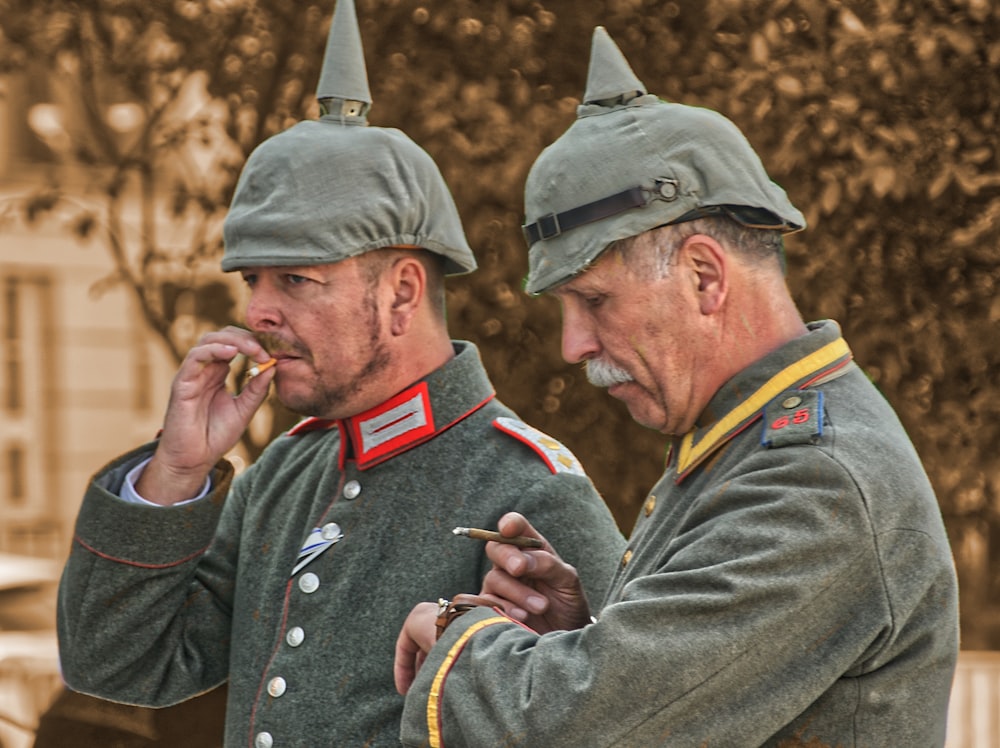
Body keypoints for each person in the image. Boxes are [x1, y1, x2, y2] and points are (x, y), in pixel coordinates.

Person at [54, 3, 626, 747]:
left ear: (401, 294)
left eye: (294, 280)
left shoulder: (530, 487)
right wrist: (176, 472)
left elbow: (622, 717)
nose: (258, 312)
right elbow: (118, 666)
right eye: (251, 282)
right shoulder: (284, 475)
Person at [394, 26, 960, 747]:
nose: (574, 345)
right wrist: (576, 636)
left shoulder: (816, 479)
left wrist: (457, 638)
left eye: (594, 301)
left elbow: (574, 728)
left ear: (703, 275)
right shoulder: (745, 442)